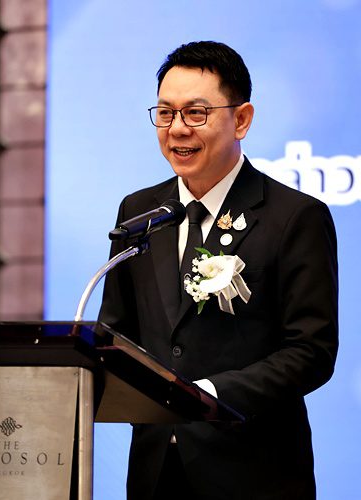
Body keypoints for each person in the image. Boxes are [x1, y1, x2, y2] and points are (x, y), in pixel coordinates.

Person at [98, 41, 339, 500]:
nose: (177, 129)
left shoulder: (294, 216)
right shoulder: (139, 211)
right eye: (165, 113)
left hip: (254, 474)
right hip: (155, 474)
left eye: (196, 113)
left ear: (241, 119)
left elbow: (311, 351)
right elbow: (117, 332)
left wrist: (207, 394)